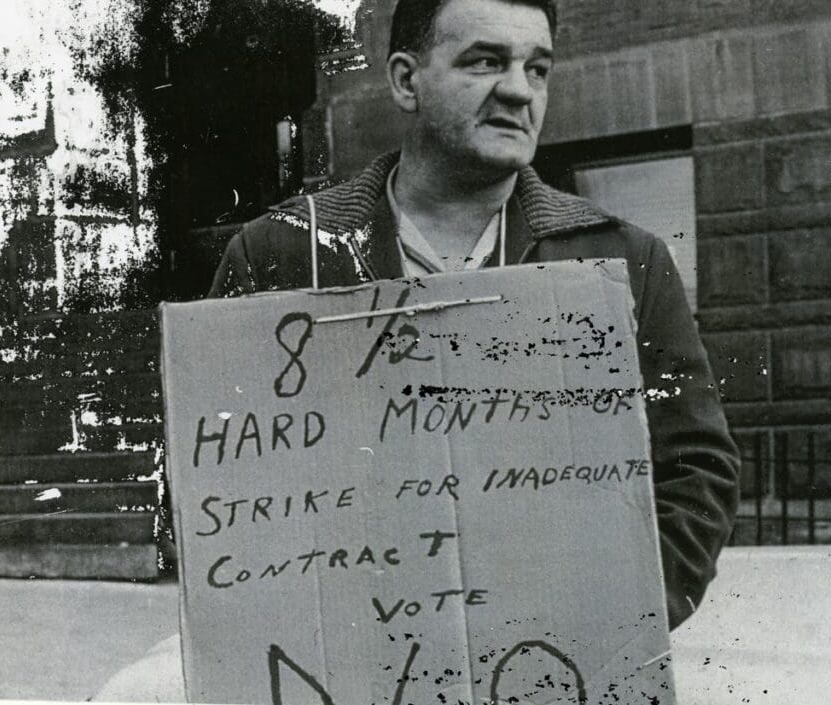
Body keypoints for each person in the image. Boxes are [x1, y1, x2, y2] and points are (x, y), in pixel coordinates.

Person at [209, 0, 741, 631]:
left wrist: (617, 614)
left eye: (537, 68)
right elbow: (221, 480)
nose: (519, 91)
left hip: (551, 660)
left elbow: (696, 466)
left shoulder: (623, 260)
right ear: (407, 81)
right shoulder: (283, 253)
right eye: (486, 61)